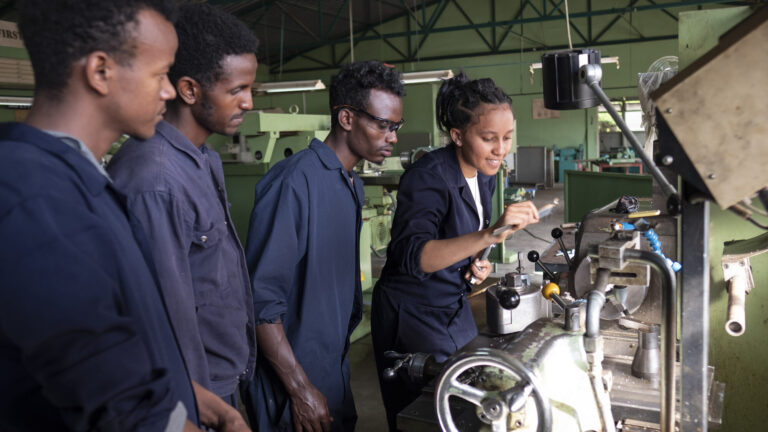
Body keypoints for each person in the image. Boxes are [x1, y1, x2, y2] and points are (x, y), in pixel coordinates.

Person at [0, 0, 209, 430]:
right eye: (160, 74)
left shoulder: (78, 179)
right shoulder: (34, 195)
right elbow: (116, 403)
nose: (169, 91)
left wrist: (194, 398)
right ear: (100, 71)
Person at [107, 3, 259, 407]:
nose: (248, 103)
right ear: (190, 90)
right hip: (197, 389)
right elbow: (166, 317)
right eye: (236, 90)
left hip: (224, 376)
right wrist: (198, 408)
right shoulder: (155, 179)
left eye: (250, 89)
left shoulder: (203, 158)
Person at [241, 60, 406, 432]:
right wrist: (300, 391)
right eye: (382, 125)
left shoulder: (350, 183)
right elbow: (260, 304)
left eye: (396, 126)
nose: (392, 137)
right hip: (292, 379)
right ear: (346, 118)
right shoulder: (293, 184)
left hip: (332, 366)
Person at [371, 73, 539, 431]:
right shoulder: (428, 176)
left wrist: (476, 261)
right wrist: (489, 235)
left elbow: (465, 238)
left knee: (472, 386)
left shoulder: (485, 172)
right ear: (458, 135)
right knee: (425, 413)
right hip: (412, 310)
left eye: (507, 137)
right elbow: (416, 256)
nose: (500, 149)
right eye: (488, 138)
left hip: (452, 301)